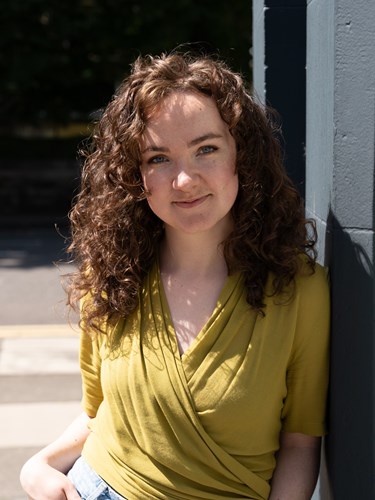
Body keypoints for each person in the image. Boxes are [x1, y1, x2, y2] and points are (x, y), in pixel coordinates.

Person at [20, 52, 330, 500]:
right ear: (133, 174)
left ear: (242, 155)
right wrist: (40, 464)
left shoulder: (300, 289)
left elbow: (300, 443)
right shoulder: (110, 277)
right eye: (158, 158)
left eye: (206, 149)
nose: (184, 180)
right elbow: (98, 415)